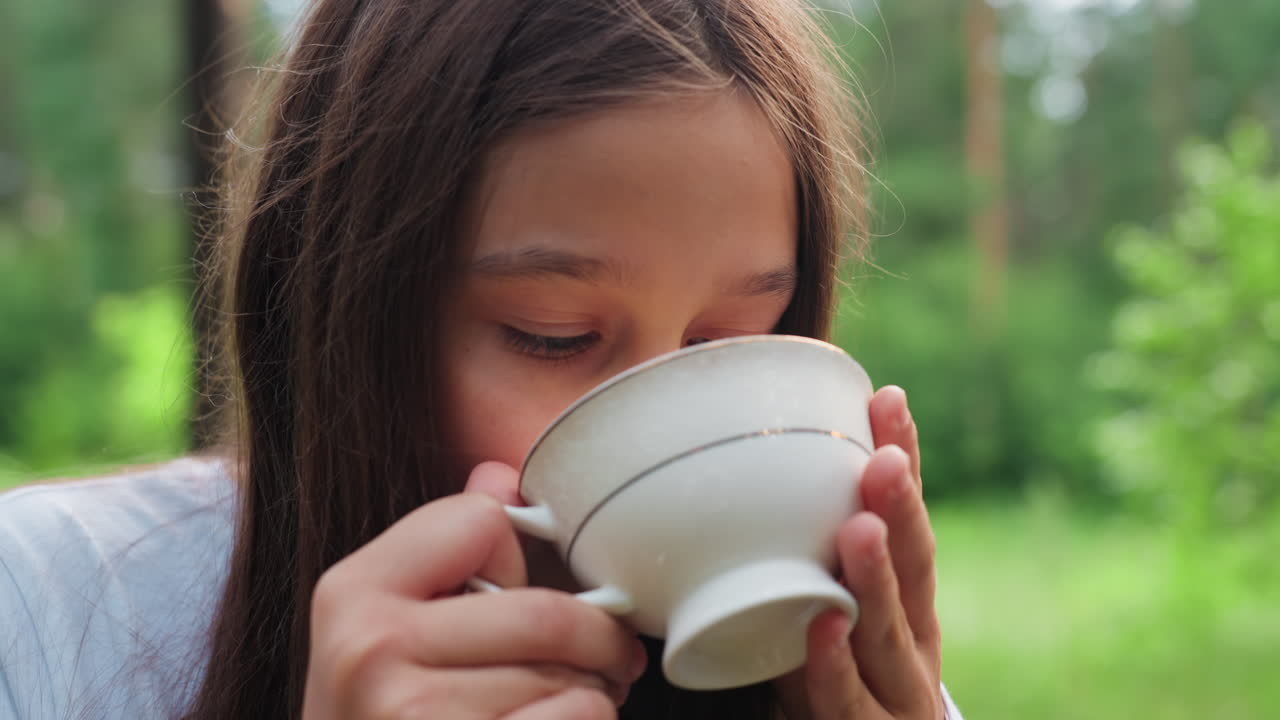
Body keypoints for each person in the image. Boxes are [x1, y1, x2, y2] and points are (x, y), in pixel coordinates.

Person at [0, 0, 964, 718]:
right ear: (348, 321)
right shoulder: (54, 614)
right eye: (555, 335)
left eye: (733, 340)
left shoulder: (848, 686)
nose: (672, 409)